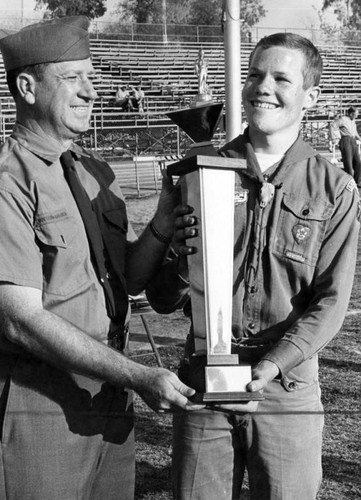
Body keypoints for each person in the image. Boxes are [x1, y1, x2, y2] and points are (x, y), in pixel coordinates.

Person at [0, 16, 201, 500]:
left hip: (109, 390)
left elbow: (127, 278)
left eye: (91, 77)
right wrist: (137, 375)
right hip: (39, 400)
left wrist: (161, 223)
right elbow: (20, 320)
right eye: (73, 78)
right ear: (27, 87)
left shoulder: (94, 171)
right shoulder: (1, 183)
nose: (91, 92)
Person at [146, 33, 360, 500]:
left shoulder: (335, 189)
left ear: (310, 96)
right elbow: (161, 299)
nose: (263, 87)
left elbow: (330, 303)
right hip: (203, 380)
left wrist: (272, 364)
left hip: (285, 385)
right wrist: (187, 262)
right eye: (255, 74)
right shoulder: (199, 172)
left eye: (282, 78)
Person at [330, 106, 361, 184]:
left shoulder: (353, 120)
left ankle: (358, 182)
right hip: (345, 140)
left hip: (353, 140)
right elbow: (332, 126)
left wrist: (359, 138)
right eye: (355, 114)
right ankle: (348, 183)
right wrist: (333, 138)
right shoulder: (343, 119)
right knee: (348, 163)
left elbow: (355, 132)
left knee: (358, 162)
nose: (357, 116)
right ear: (350, 114)